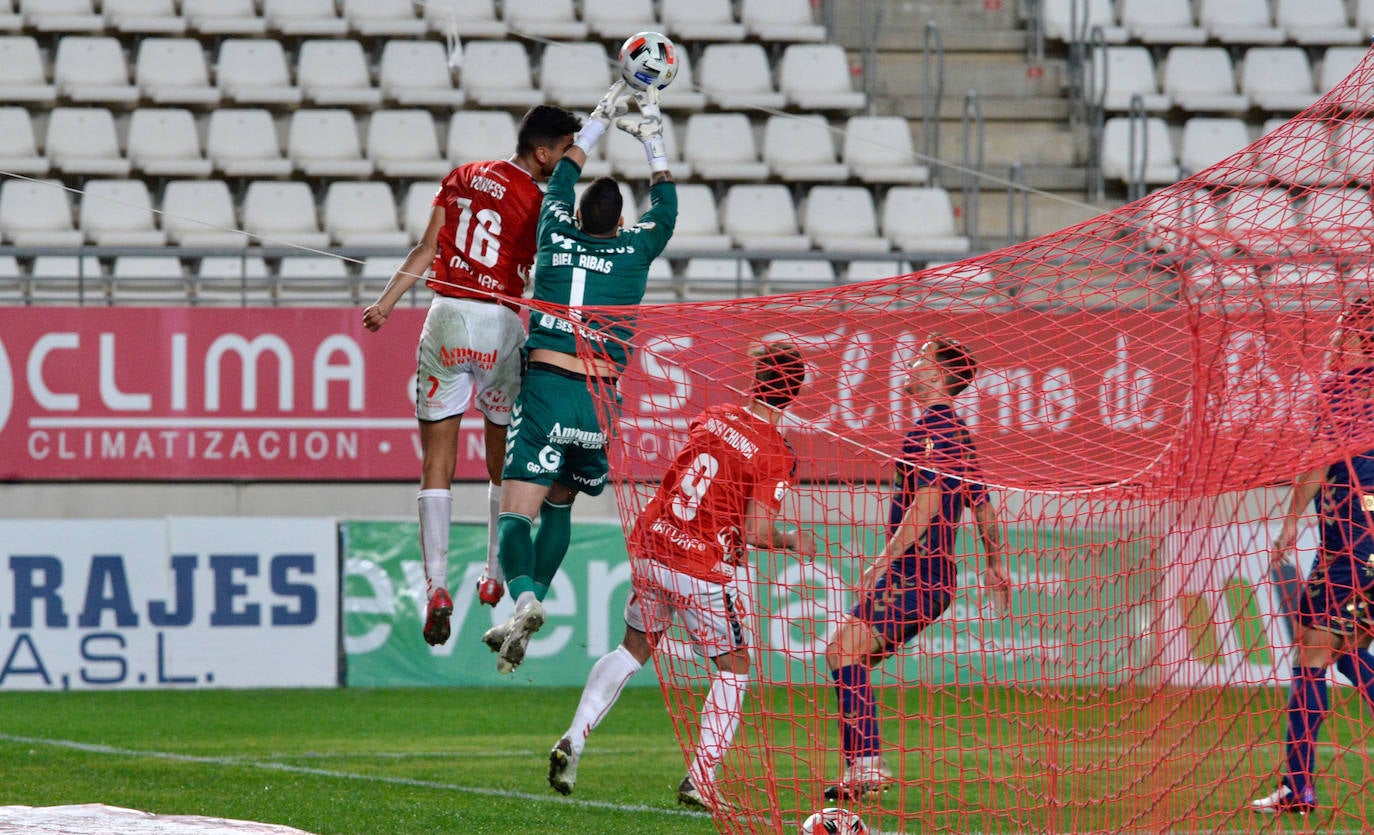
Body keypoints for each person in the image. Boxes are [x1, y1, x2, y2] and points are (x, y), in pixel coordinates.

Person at [546, 343, 814, 810]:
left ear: (756, 378)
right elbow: (754, 530)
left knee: (632, 649)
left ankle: (574, 737)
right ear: (794, 395)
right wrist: (791, 540)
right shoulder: (776, 452)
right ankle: (701, 779)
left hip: (655, 545)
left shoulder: (712, 415)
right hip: (703, 568)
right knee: (735, 670)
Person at [363, 105, 581, 646]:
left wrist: (385, 305)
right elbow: (546, 265)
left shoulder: (461, 176)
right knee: (499, 462)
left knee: (437, 463)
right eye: (565, 150)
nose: (566, 160)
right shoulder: (538, 198)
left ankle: (437, 586)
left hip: (447, 317)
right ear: (542, 151)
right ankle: (492, 574)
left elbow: (427, 247)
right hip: (502, 323)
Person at [482, 81, 678, 674]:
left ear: (574, 218)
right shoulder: (636, 249)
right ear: (620, 225)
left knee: (517, 514)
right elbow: (666, 209)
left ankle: (524, 598)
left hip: (549, 385)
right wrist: (653, 139)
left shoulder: (555, 230)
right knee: (561, 508)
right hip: (600, 401)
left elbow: (562, 177)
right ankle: (527, 608)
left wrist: (599, 118)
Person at [821, 336, 1010, 802]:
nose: (910, 365)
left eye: (920, 360)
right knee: (850, 658)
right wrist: (994, 565)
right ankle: (861, 767)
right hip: (934, 578)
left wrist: (881, 561)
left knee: (842, 653)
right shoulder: (959, 433)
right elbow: (983, 506)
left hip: (915, 575)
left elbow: (926, 502)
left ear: (939, 376)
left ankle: (866, 766)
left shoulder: (931, 429)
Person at [1251, 298, 1374, 816]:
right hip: (1354, 541)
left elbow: (1318, 465)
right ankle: (1295, 785)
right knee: (1339, 650)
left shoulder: (1340, 390)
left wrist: (1286, 523)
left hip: (1351, 541)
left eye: (1347, 328)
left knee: (1312, 655)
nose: (1336, 337)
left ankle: (1297, 786)